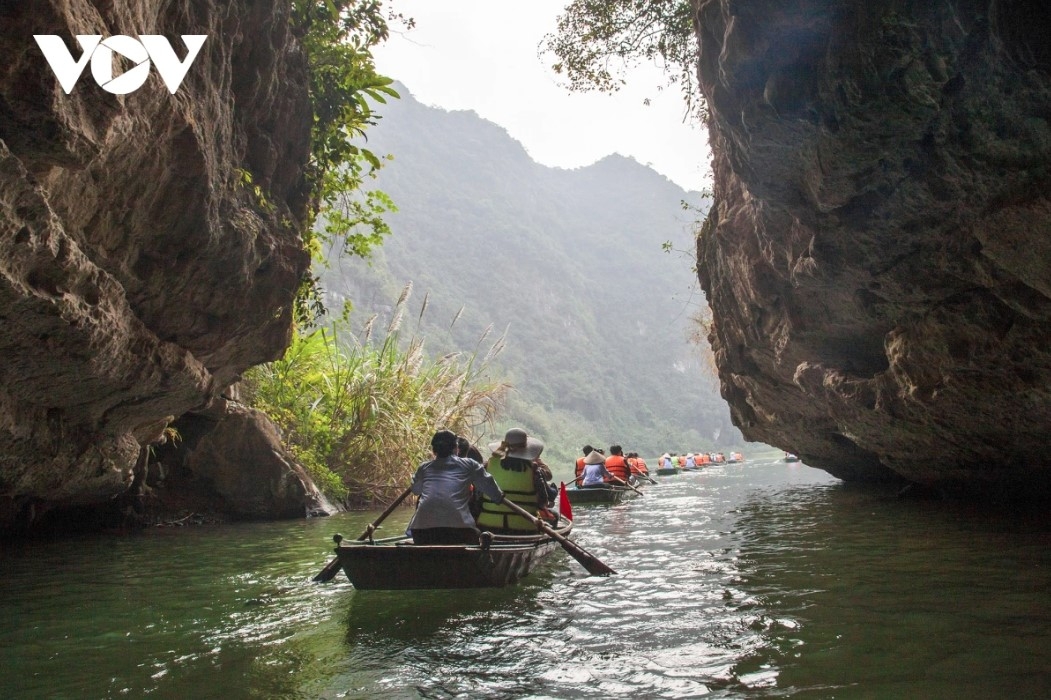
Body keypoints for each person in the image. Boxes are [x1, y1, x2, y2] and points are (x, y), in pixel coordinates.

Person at [406, 429, 505, 545]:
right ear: (456, 449)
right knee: (479, 535)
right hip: (458, 533)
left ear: (434, 451)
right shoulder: (470, 465)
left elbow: (416, 490)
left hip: (421, 533)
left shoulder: (424, 468)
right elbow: (493, 491)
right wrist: (499, 497)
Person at [477, 428, 553, 532]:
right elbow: (543, 502)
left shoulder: (488, 465)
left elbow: (478, 496)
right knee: (554, 517)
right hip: (525, 527)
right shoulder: (533, 469)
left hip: (488, 525)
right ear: (526, 450)